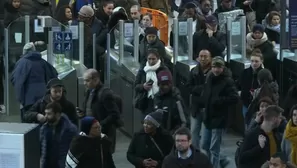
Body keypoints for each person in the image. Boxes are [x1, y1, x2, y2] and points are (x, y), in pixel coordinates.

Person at [197, 56, 238, 168]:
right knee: (204, 145)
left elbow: (234, 97)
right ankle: (217, 162)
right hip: (208, 117)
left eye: (219, 67)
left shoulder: (227, 81)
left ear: (223, 68)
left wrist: (219, 101)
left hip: (219, 118)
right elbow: (206, 93)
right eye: (214, 67)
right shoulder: (209, 78)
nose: (216, 70)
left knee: (214, 148)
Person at [11, 42, 58, 122]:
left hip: (28, 100)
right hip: (43, 99)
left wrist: (21, 100)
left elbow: (17, 82)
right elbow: (54, 75)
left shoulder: (22, 63)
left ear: (24, 51)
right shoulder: (42, 62)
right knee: (42, 122)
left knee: (28, 123)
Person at [78, 69, 120, 153]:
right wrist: (82, 113)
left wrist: (99, 125)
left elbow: (114, 114)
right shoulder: (89, 91)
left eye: (87, 80)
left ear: (96, 80)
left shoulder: (105, 94)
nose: (84, 83)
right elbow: (90, 108)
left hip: (103, 133)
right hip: (91, 132)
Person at [40, 102, 78, 168]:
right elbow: (41, 149)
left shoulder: (70, 130)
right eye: (45, 113)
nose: (45, 116)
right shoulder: (44, 128)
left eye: (49, 114)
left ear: (57, 115)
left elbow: (75, 150)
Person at [187, 49, 212, 149]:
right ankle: (195, 154)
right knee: (194, 131)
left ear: (210, 58)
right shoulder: (194, 71)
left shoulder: (214, 71)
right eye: (201, 56)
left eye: (205, 56)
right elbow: (188, 87)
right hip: (196, 107)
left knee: (206, 136)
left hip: (209, 108)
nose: (203, 59)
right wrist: (201, 88)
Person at [134, 49, 168, 118]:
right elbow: (136, 85)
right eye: (149, 59)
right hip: (146, 102)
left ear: (158, 59)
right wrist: (143, 86)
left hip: (160, 101)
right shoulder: (143, 70)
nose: (151, 61)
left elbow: (168, 85)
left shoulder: (163, 70)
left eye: (153, 59)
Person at [239, 49, 263, 123]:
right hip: (246, 104)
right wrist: (240, 93)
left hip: (258, 106)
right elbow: (239, 85)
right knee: (247, 125)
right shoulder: (245, 72)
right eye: (252, 61)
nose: (254, 63)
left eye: (256, 61)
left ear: (261, 61)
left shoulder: (263, 74)